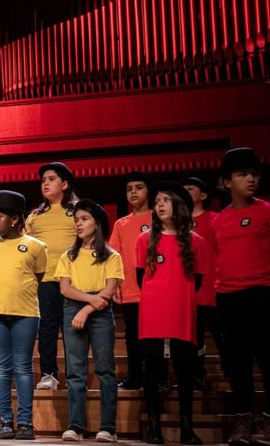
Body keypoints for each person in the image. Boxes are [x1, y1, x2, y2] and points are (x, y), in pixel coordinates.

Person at [137, 182, 206, 445]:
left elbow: (197, 280)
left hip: (181, 315)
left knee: (185, 373)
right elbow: (140, 276)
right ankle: (154, 428)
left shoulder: (195, 242)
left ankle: (187, 428)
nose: (160, 205)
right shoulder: (145, 240)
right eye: (157, 201)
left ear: (179, 205)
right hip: (153, 316)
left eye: (166, 199)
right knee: (152, 372)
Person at [211, 148, 269, 445]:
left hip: (262, 293)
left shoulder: (266, 211)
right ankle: (245, 420)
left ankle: (267, 422)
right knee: (238, 363)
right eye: (243, 174)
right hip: (229, 297)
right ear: (227, 182)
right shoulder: (219, 221)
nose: (251, 179)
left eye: (254, 174)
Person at [0, 190, 47, 440]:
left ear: (16, 219)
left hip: (26, 313)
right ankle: (6, 421)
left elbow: (37, 276)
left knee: (23, 367)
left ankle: (26, 422)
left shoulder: (36, 246)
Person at [55, 200, 121, 443]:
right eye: (76, 220)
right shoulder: (69, 255)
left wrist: (87, 310)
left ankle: (108, 428)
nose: (78, 224)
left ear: (97, 223)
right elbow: (65, 288)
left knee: (105, 370)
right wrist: (87, 304)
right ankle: (76, 426)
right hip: (75, 307)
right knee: (75, 372)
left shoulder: (111, 256)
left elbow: (110, 290)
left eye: (84, 219)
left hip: (101, 313)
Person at [25, 162, 79, 391]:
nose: (45, 183)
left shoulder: (78, 211)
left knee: (73, 329)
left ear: (64, 184)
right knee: (47, 328)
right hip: (45, 280)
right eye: (43, 180)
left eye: (51, 179)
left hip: (74, 281)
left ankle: (76, 376)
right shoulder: (35, 216)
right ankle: (49, 375)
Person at [180, 176, 227, 390]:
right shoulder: (178, 225)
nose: (185, 193)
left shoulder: (216, 219)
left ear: (204, 195)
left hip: (216, 289)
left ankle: (231, 372)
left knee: (222, 335)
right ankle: (196, 375)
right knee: (193, 338)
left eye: (190, 189)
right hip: (191, 292)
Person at [109, 171, 153, 390]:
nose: (133, 192)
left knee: (155, 337)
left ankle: (158, 378)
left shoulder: (159, 218)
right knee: (132, 337)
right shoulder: (121, 224)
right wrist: (115, 283)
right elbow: (113, 256)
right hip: (130, 290)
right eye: (129, 189)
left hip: (156, 290)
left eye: (138, 187)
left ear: (148, 190)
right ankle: (135, 377)